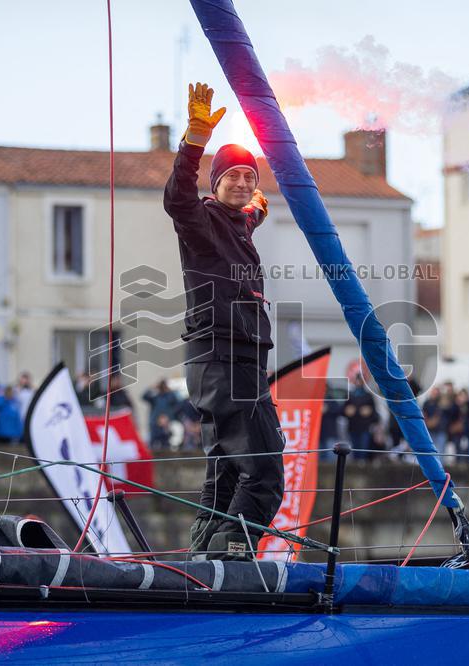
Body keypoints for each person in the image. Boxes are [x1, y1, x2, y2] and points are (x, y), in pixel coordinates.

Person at [165, 82, 284, 561]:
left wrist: (254, 210)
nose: (242, 183)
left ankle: (204, 552)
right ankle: (234, 550)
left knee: (229, 471)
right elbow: (178, 199)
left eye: (249, 176)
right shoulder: (202, 220)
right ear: (214, 184)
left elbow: (245, 216)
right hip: (226, 358)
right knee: (266, 469)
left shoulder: (237, 221)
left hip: (224, 361)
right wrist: (194, 141)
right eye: (232, 176)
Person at [343, 372, 380, 462]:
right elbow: (343, 410)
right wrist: (347, 411)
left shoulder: (368, 396)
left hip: (364, 427)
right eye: (357, 380)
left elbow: (374, 413)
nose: (358, 382)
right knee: (354, 449)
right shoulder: (350, 395)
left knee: (363, 449)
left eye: (360, 380)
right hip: (352, 427)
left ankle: (362, 465)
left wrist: (369, 412)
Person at [142, 379, 182, 445]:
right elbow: (144, 397)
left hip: (168, 424)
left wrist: (169, 417)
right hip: (155, 424)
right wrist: (152, 387)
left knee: (169, 443)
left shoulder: (171, 396)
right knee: (153, 443)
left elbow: (179, 405)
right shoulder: (155, 397)